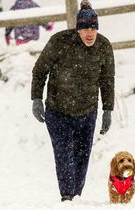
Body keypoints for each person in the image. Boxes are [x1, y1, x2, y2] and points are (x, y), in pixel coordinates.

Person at [31, 0, 115, 202]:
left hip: (87, 111)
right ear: (77, 29)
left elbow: (107, 80)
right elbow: (40, 71)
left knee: (82, 159)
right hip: (58, 110)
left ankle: (76, 198)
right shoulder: (59, 42)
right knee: (64, 157)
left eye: (93, 28)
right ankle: (67, 199)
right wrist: (36, 99)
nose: (89, 33)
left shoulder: (103, 46)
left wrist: (107, 110)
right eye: (85, 28)